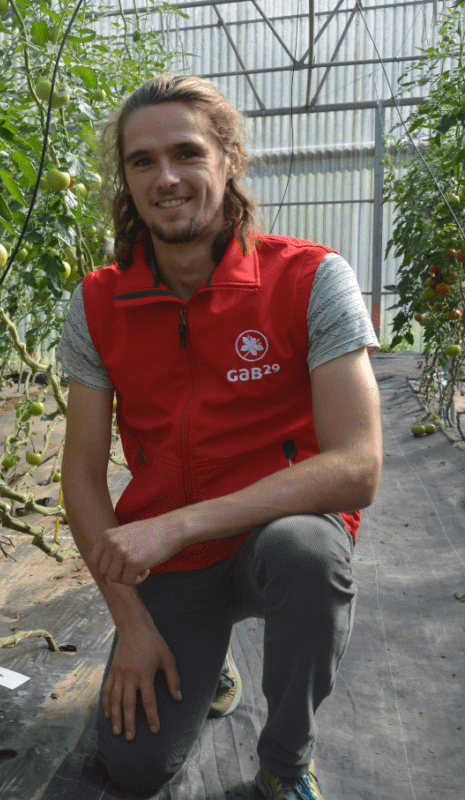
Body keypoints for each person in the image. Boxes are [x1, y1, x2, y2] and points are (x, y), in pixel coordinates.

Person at [57, 73, 383, 800]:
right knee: (136, 770)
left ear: (230, 157)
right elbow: (80, 475)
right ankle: (208, 659)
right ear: (126, 179)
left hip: (276, 532)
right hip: (176, 567)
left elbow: (358, 466)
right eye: (142, 161)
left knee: (308, 554)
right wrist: (130, 621)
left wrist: (176, 523)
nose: (165, 178)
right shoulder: (97, 302)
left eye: (186, 153)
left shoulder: (310, 278)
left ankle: (285, 762)